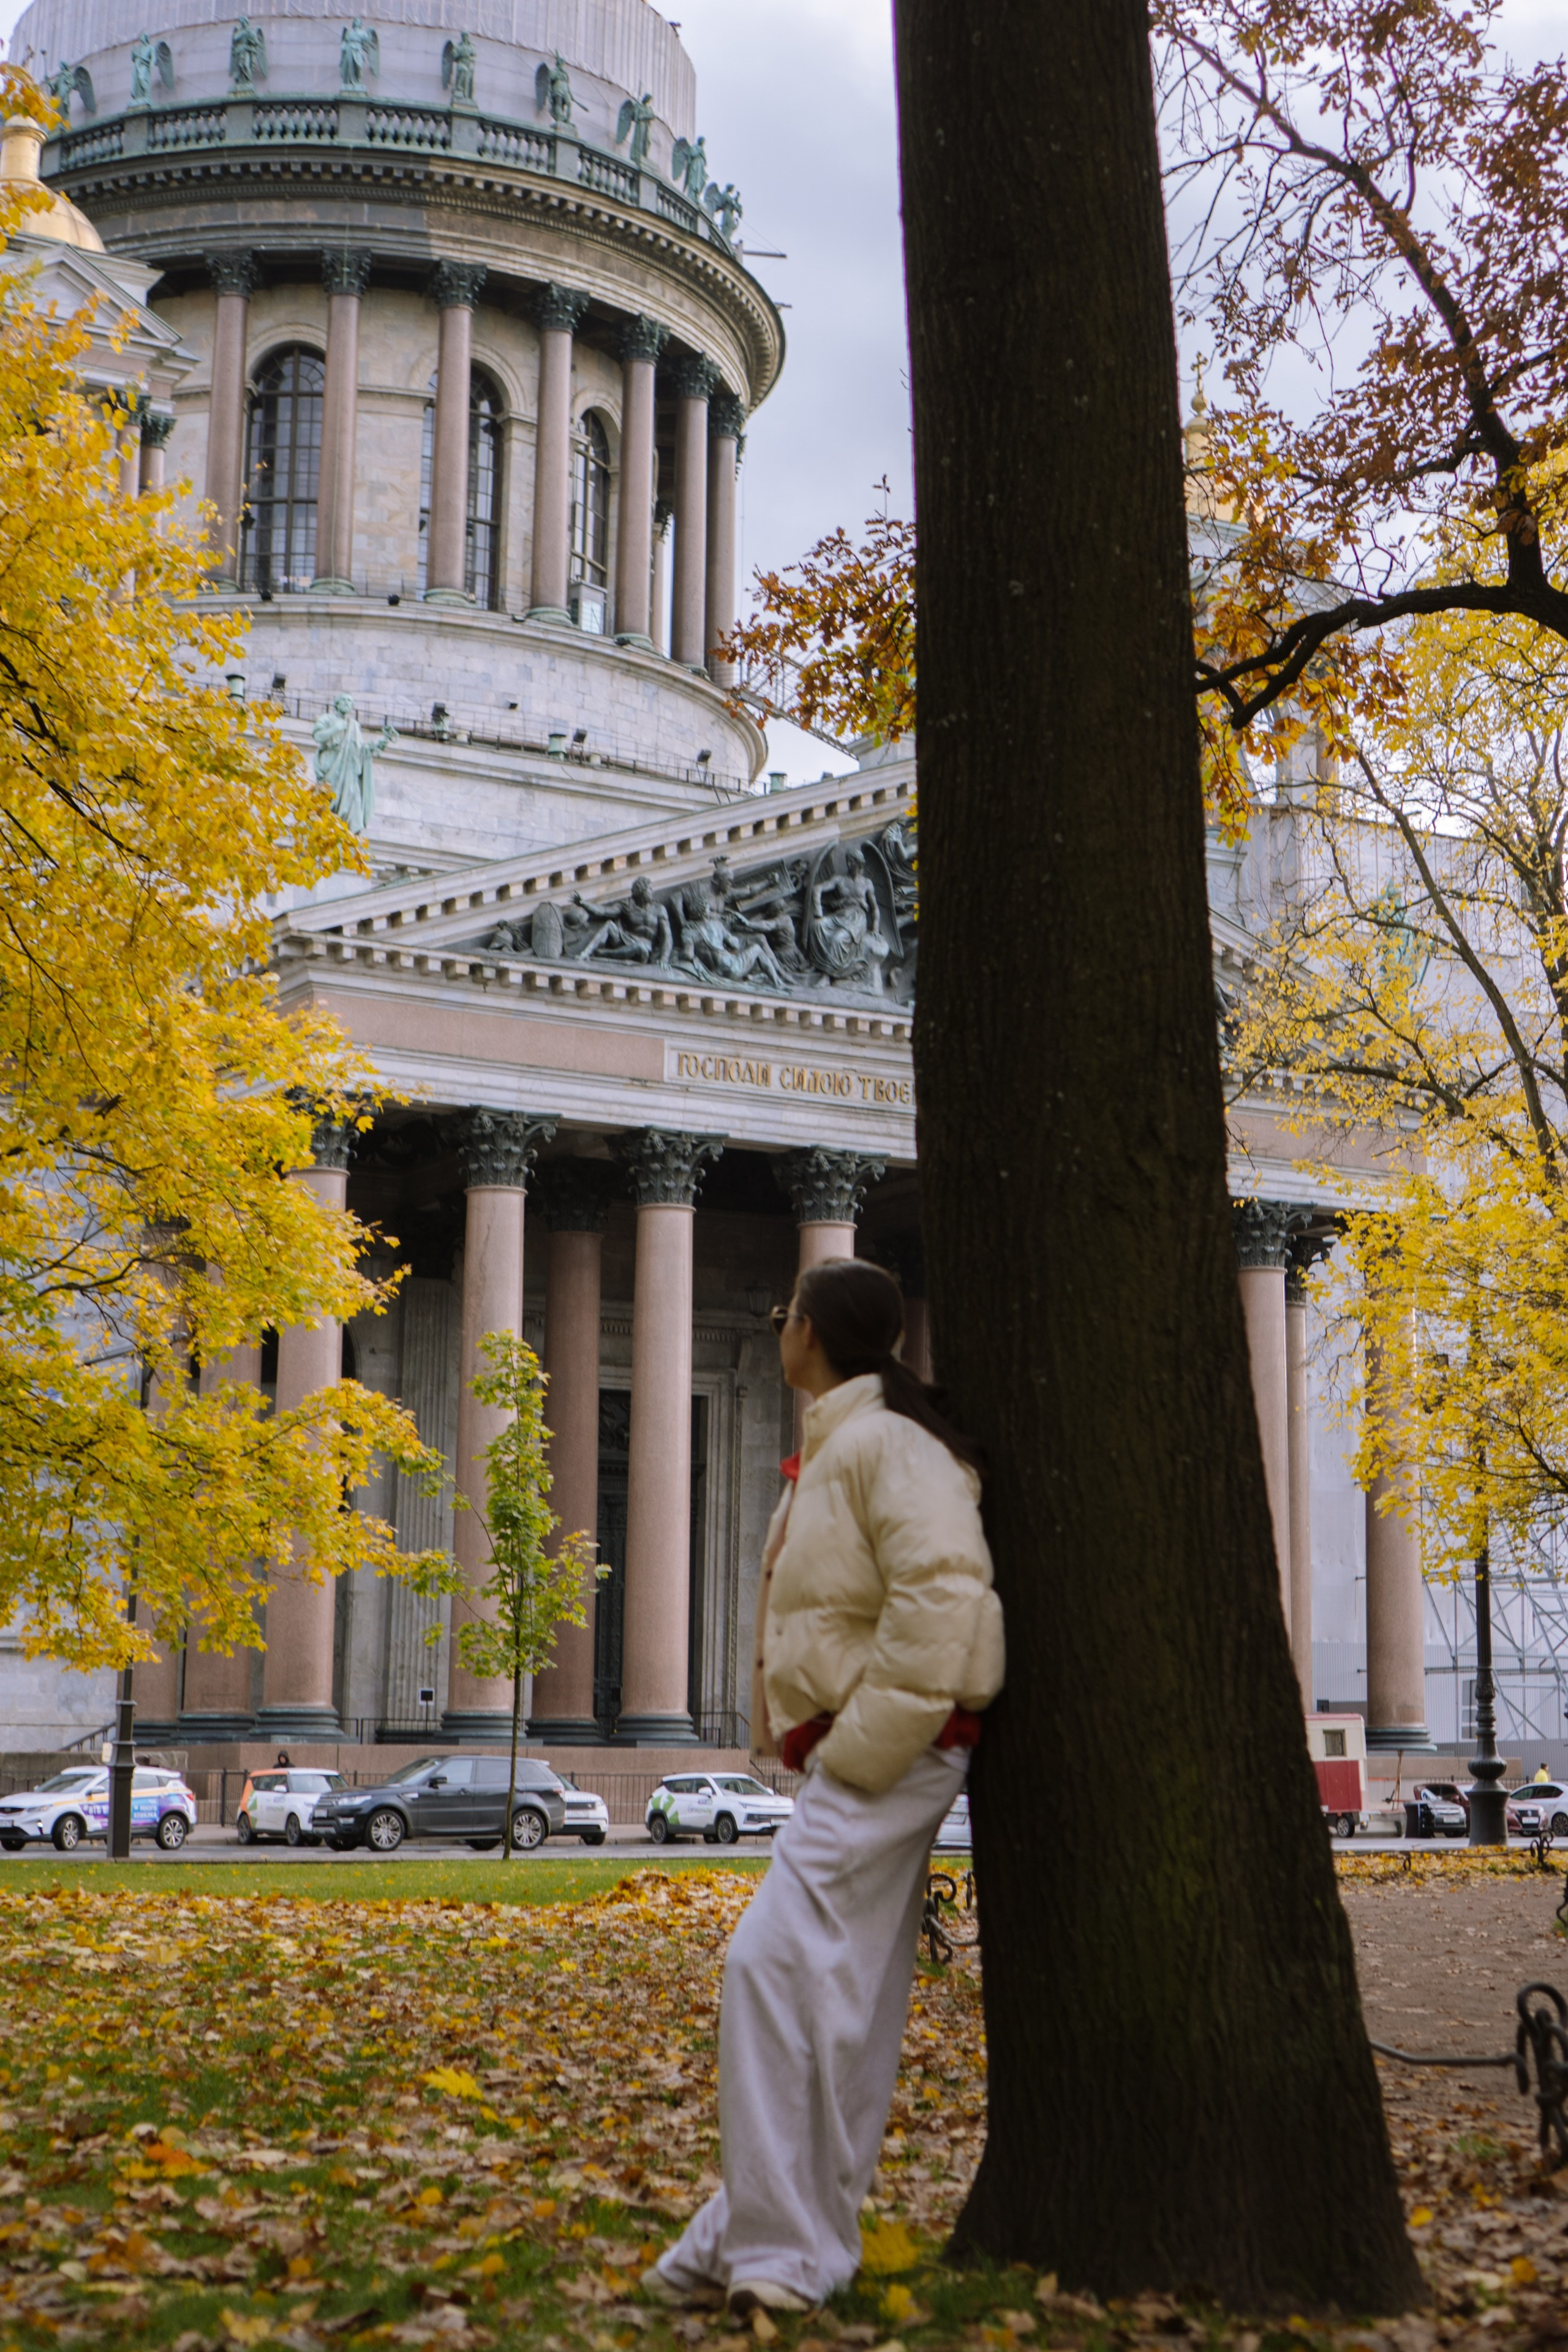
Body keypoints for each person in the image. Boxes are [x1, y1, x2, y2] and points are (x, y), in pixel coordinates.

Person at [649, 1258, 1004, 2317]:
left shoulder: (886, 1444)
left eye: (783, 1315)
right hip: (882, 1750)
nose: (776, 1331)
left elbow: (943, 1594)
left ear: (814, 1332)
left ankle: (776, 2256)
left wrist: (859, 1748)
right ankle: (748, 2238)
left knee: (765, 1971)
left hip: (891, 1753)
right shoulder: (853, 1442)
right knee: (839, 2003)